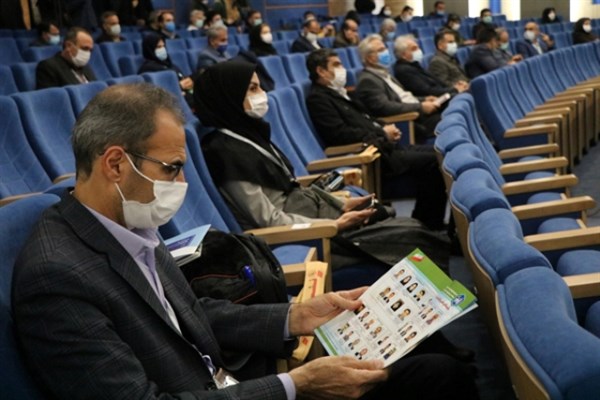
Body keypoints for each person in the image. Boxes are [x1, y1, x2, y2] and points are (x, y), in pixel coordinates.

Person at [11, 82, 476, 400]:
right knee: (438, 380)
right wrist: (296, 386)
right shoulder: (57, 277)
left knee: (432, 364)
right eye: (172, 169)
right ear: (115, 164)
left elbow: (186, 315)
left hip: (233, 382)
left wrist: (294, 316)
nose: (181, 184)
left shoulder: (126, 222)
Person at [196, 61, 455, 273]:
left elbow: (291, 185)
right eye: (253, 88)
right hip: (301, 236)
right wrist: (334, 223)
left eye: (260, 87)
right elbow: (268, 219)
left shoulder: (249, 135)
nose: (262, 95)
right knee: (410, 240)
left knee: (406, 226)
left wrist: (341, 204)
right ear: (229, 95)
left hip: (313, 216)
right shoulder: (224, 152)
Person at [306, 48, 449, 232]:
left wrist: (384, 127)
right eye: (336, 65)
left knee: (439, 151)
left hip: (385, 147)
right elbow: (339, 134)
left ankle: (427, 223)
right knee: (434, 162)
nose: (342, 69)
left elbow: (367, 118)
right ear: (321, 71)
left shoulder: (339, 92)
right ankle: (429, 226)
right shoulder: (318, 98)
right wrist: (382, 133)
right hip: (372, 157)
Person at [354, 35, 442, 144]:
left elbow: (403, 97)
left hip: (418, 114)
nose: (386, 52)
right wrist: (420, 107)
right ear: (369, 58)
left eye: (385, 48)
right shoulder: (367, 80)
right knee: (450, 120)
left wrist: (424, 99)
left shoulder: (385, 73)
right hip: (410, 121)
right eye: (381, 50)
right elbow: (386, 107)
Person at [393, 36, 468, 97]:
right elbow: (426, 91)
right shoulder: (404, 71)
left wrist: (455, 86)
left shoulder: (414, 65)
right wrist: (454, 89)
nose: (418, 50)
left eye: (418, 47)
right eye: (414, 49)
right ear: (403, 55)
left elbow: (437, 82)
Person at [138, 34, 194, 106]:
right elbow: (156, 94)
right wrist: (179, 87)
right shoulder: (147, 69)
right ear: (149, 49)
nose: (162, 49)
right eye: (159, 47)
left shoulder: (169, 64)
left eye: (163, 46)